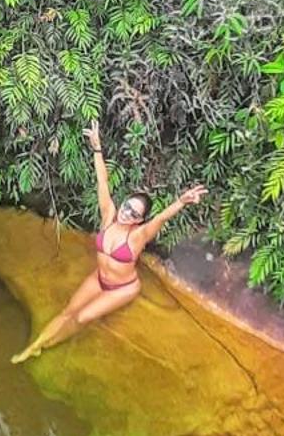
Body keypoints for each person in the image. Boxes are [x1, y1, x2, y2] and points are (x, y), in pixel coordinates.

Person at [11, 123, 205, 363]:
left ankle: (50, 345)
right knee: (68, 312)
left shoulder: (138, 236)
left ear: (140, 219)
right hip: (99, 278)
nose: (127, 213)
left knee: (82, 318)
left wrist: (182, 201)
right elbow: (102, 182)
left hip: (123, 288)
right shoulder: (108, 216)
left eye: (134, 213)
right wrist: (97, 148)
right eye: (127, 207)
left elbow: (161, 218)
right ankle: (34, 348)